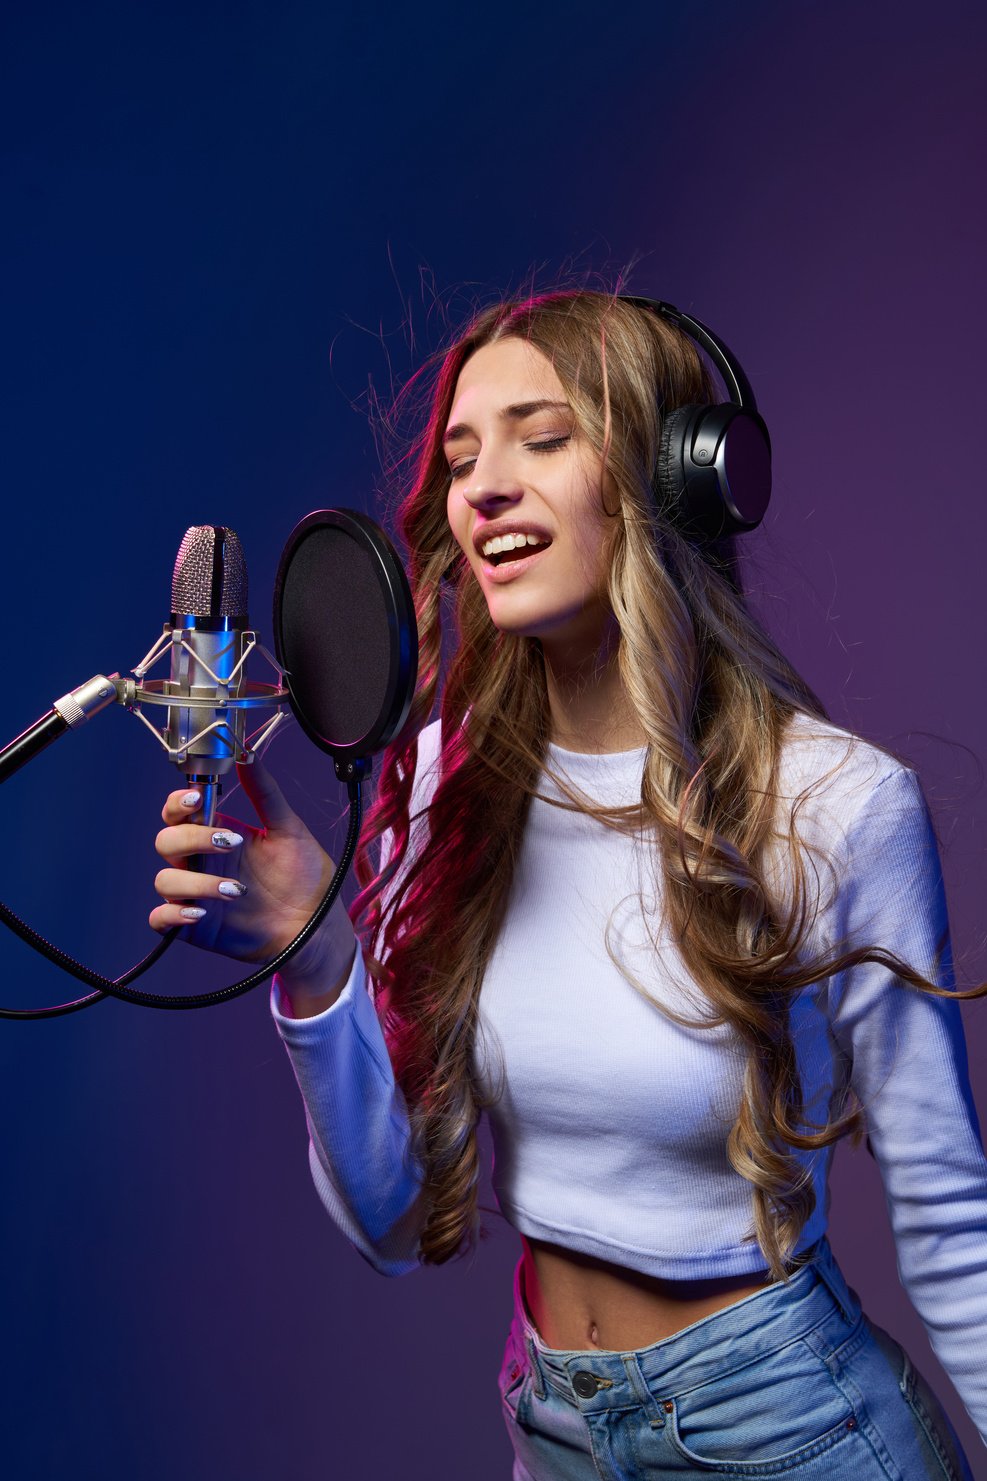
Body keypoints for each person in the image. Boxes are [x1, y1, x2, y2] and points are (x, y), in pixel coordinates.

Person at [149, 290, 986, 1478]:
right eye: (461, 456)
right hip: (556, 1425)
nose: (484, 484)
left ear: (680, 478)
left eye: (544, 437)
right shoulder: (449, 783)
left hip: (793, 1427)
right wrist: (318, 953)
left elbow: (951, 1224)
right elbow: (390, 1223)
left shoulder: (836, 806)